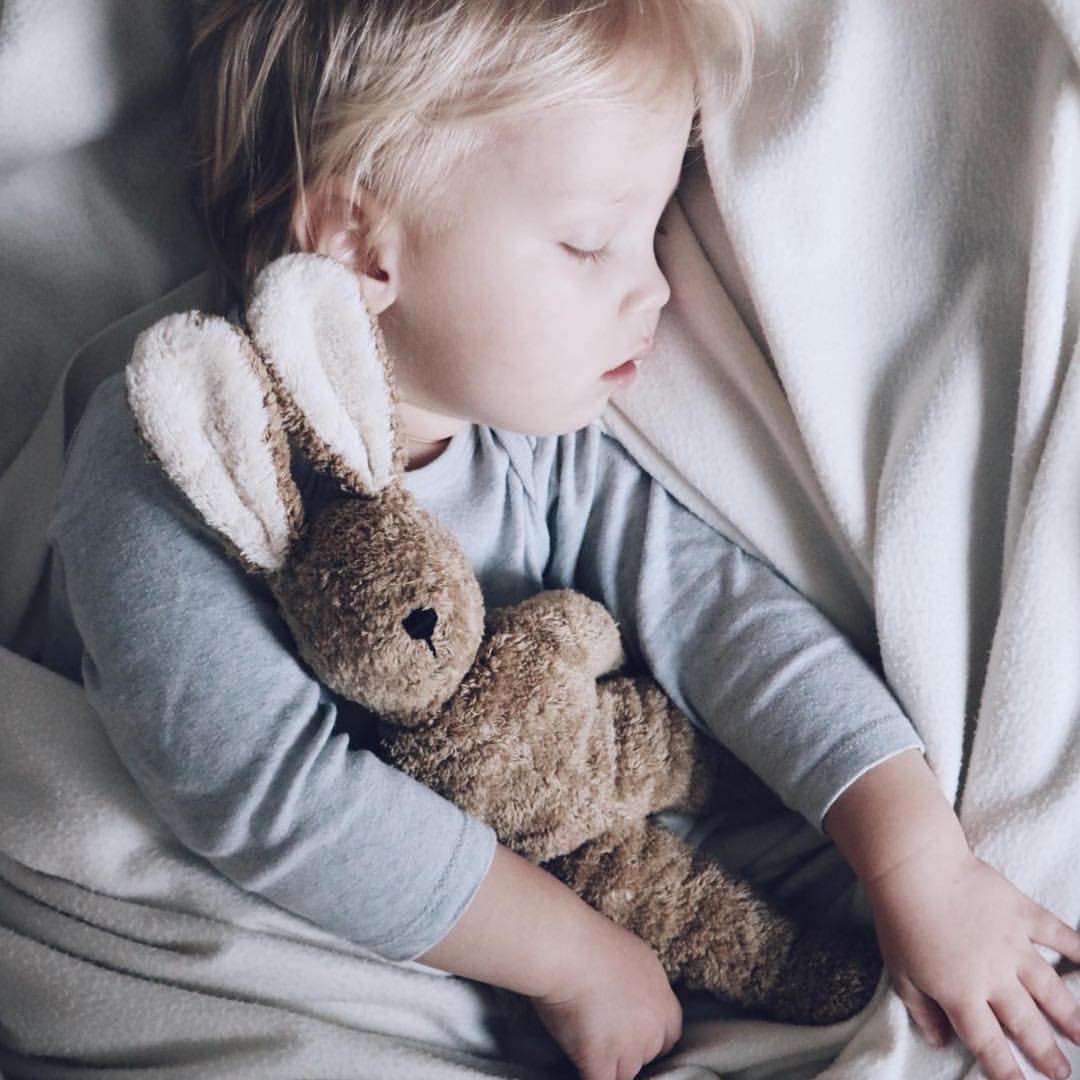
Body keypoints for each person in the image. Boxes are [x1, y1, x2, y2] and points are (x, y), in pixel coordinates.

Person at [44, 3, 1080, 1079]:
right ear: (357, 243)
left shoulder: (525, 430)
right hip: (296, 934)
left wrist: (917, 862)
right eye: (589, 241)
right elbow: (270, 793)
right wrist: (572, 960)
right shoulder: (177, 447)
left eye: (655, 226)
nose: (656, 289)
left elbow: (715, 611)